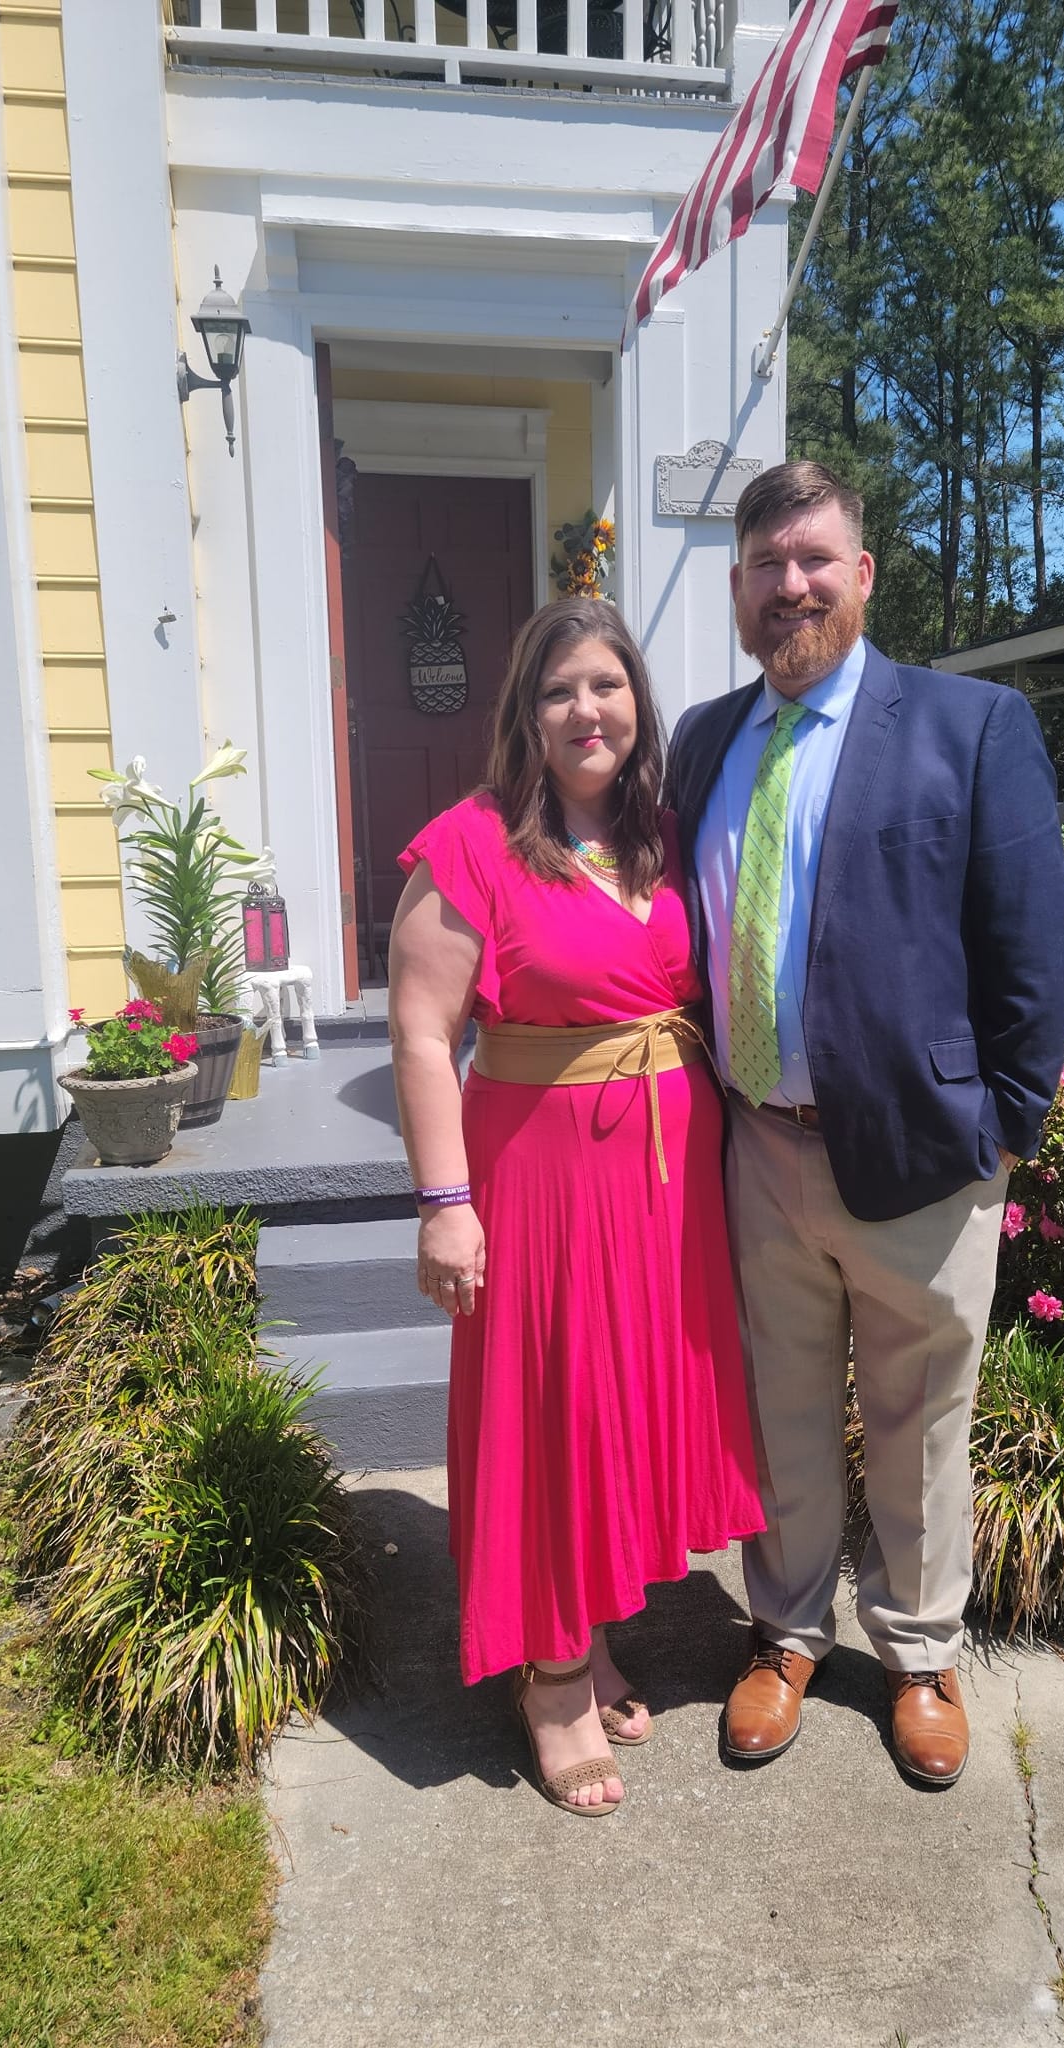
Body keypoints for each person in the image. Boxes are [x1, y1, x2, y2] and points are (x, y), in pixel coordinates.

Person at [666, 461, 1064, 1787]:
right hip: (754, 1150)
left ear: (861, 573)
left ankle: (916, 1654)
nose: (789, 584)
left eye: (813, 558)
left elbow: (1029, 957)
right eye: (765, 564)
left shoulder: (968, 726)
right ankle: (782, 1633)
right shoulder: (700, 740)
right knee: (779, 1415)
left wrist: (1003, 1134)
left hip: (916, 1163)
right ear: (736, 589)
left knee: (917, 1424)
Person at [388, 597, 764, 1818]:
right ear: (525, 712)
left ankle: (590, 1630)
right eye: (559, 690)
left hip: (658, 1188)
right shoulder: (472, 841)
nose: (585, 709)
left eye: (606, 684)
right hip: (540, 1177)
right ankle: (550, 1680)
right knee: (548, 1408)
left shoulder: (657, 835)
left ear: (636, 704)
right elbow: (422, 1030)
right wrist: (447, 1202)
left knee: (613, 1410)